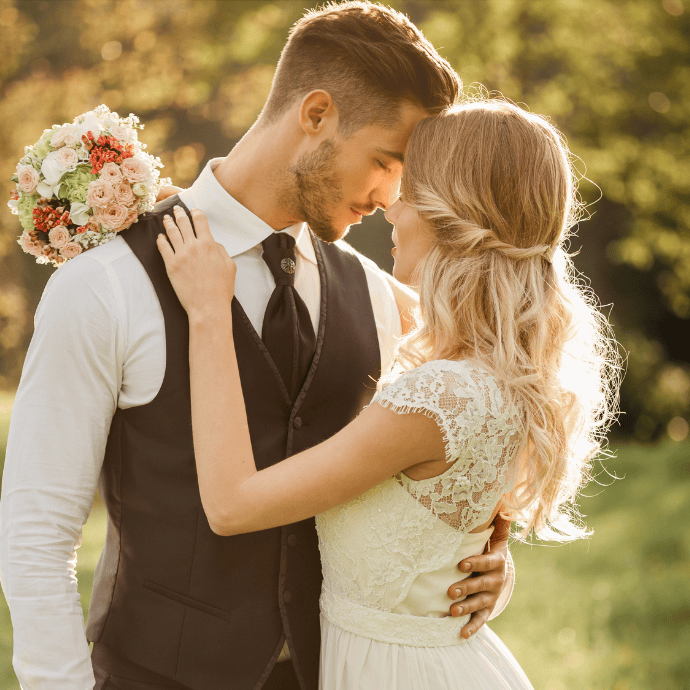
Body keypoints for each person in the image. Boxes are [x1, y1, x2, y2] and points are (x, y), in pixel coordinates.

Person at [0, 4, 514, 690]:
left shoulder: (377, 296)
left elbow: (432, 466)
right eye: (385, 161)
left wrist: (484, 569)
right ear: (317, 115)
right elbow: (36, 539)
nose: (391, 196)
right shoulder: (106, 285)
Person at [156, 97, 620, 690]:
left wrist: (208, 312)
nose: (389, 207)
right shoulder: (494, 365)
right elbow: (320, 258)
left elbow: (232, 504)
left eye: (410, 189)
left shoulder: (438, 396)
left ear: (451, 216)